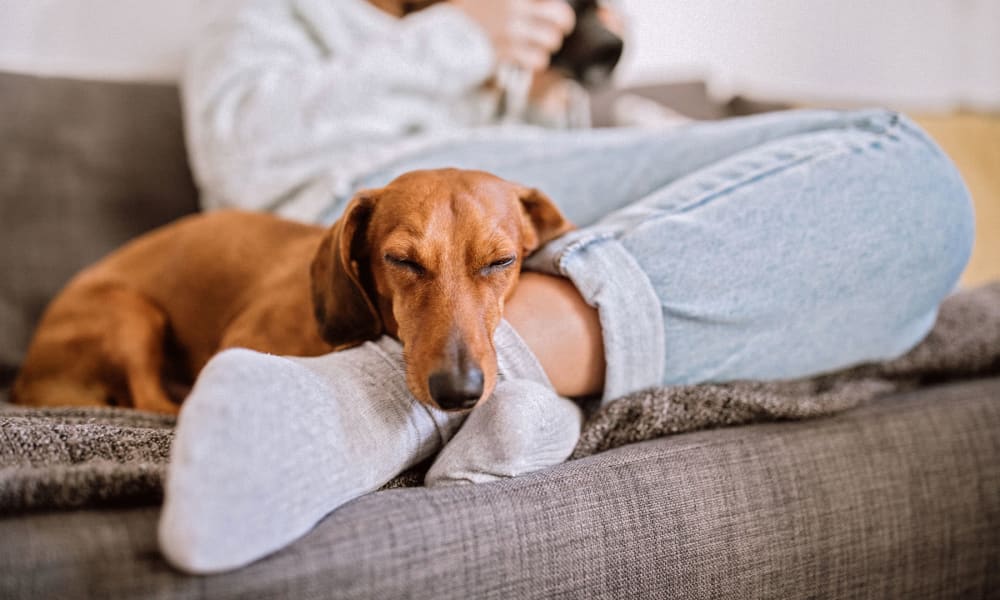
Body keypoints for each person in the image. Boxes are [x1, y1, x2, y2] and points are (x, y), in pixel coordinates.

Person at [160, 0, 975, 573]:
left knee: (917, 195)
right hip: (374, 189)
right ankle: (382, 398)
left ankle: (489, 372)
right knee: (899, 157)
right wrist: (460, 36)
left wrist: (556, 91)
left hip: (515, 211)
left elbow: (545, 228)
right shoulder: (282, 11)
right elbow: (243, 154)